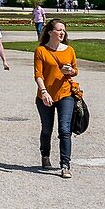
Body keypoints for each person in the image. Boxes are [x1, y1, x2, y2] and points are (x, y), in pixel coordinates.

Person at [34, 19, 78, 178]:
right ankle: (45, 155)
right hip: (45, 95)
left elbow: (75, 70)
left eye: (63, 31)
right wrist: (44, 91)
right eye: (59, 30)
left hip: (65, 94)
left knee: (65, 130)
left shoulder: (69, 50)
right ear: (50, 32)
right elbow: (38, 74)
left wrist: (70, 71)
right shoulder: (41, 51)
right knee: (47, 129)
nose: (62, 33)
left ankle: (65, 165)